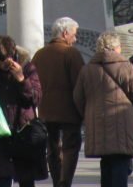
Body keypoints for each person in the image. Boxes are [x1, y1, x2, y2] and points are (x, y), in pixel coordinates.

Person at [73, 31, 133, 187]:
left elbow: (78, 98)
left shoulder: (87, 69)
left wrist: (87, 114)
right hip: (122, 119)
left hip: (97, 121)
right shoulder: (126, 67)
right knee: (120, 162)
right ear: (117, 48)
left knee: (106, 162)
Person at [0, 35, 48, 187]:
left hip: (22, 130)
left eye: (5, 61)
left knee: (26, 180)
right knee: (1, 180)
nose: (3, 66)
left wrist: (21, 79)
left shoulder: (27, 67)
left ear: (13, 54)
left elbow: (35, 99)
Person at [32, 16, 84, 187]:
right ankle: (64, 182)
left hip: (46, 110)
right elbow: (80, 83)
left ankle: (56, 181)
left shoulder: (39, 55)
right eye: (74, 35)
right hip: (69, 111)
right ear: (65, 33)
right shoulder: (71, 54)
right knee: (70, 148)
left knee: (52, 148)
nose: (75, 39)